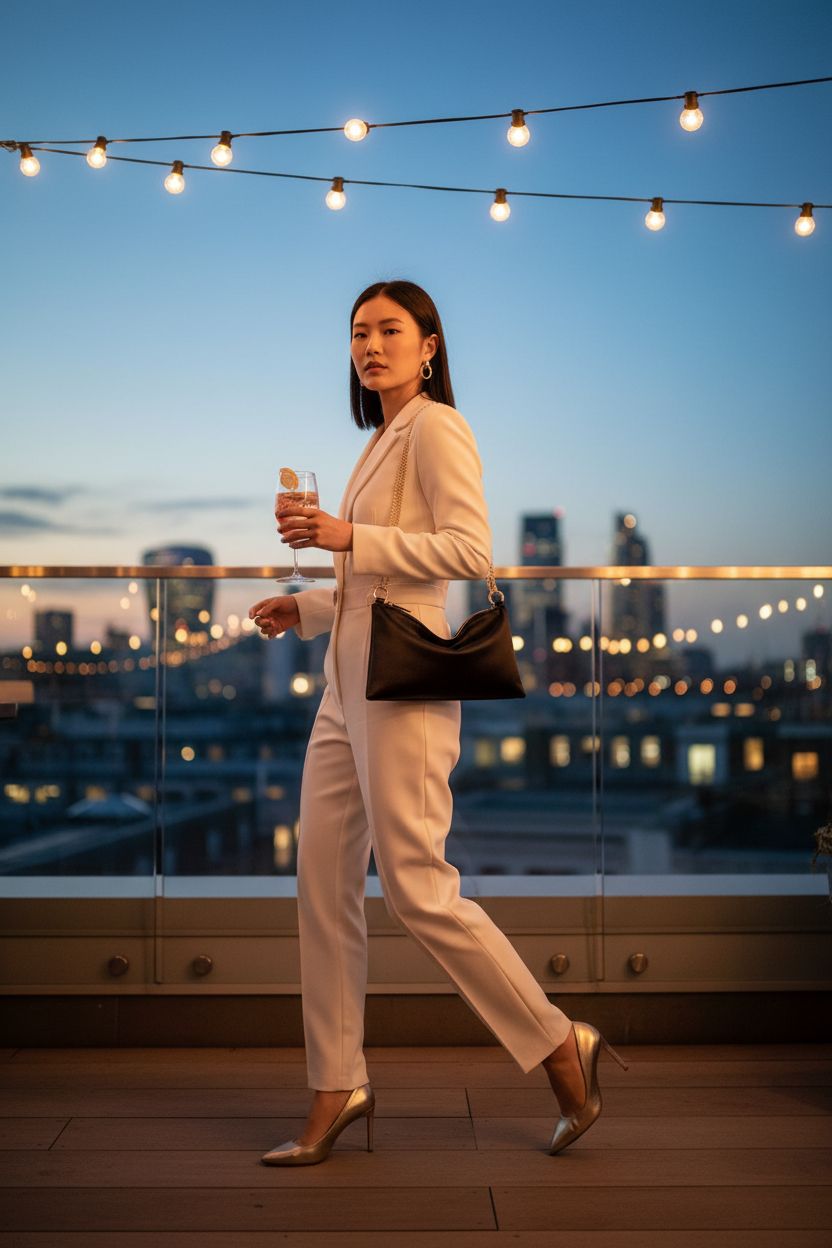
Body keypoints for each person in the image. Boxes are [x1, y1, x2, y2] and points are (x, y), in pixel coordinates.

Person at [249, 279, 628, 1165]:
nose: (370, 345)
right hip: (345, 691)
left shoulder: (437, 426)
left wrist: (347, 537)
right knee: (322, 882)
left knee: (418, 887)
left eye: (389, 330)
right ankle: (337, 1083)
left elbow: (466, 555)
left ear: (429, 345)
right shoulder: (378, 440)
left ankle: (557, 1040)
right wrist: (302, 609)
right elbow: (370, 581)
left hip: (407, 689)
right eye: (357, 332)